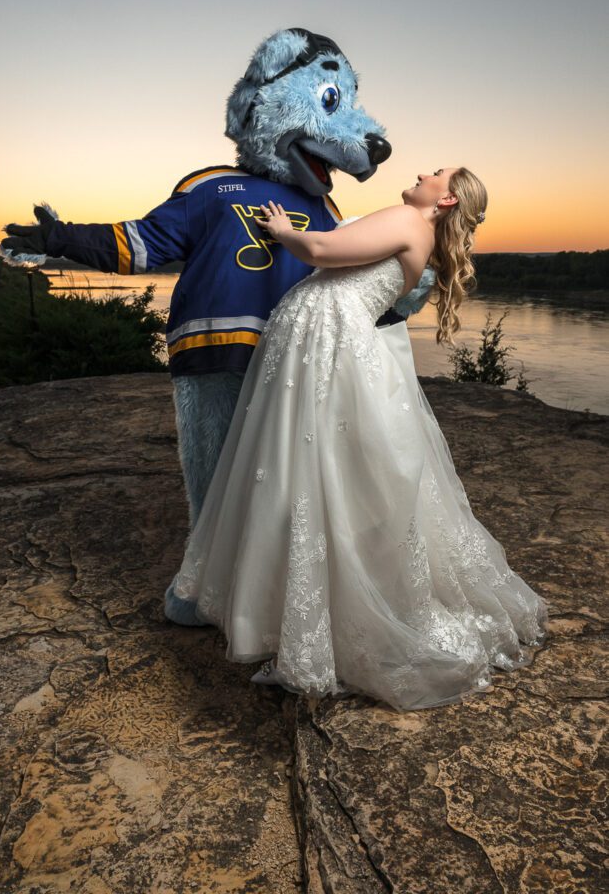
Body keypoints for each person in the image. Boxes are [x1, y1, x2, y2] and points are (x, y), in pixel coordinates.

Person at [171, 167, 549, 711]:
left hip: (327, 344)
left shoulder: (406, 219)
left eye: (433, 173)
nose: (421, 173)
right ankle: (309, 605)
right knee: (319, 466)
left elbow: (323, 249)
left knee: (304, 463)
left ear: (443, 199)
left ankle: (306, 611)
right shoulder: (421, 238)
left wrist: (280, 230)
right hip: (324, 339)